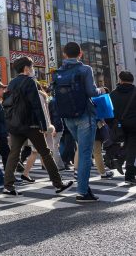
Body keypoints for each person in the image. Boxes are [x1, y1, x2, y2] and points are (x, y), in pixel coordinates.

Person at [3, 57, 73, 196]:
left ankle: (8, 186)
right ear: (26, 68)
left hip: (15, 124)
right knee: (45, 152)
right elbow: (36, 104)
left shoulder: (11, 83)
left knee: (14, 153)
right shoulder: (30, 81)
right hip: (31, 124)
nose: (32, 69)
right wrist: (43, 125)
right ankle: (58, 184)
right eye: (32, 66)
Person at [54, 42, 105, 202]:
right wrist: (101, 90)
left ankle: (85, 188)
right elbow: (91, 91)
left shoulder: (59, 71)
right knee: (84, 154)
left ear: (64, 54)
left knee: (81, 150)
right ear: (80, 54)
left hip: (68, 117)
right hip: (85, 115)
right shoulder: (85, 69)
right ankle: (82, 192)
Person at [109, 71, 136, 184]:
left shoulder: (113, 94)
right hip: (134, 124)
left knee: (126, 145)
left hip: (119, 124)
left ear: (120, 80)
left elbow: (109, 111)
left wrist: (112, 123)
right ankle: (129, 175)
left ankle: (119, 159)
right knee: (132, 148)